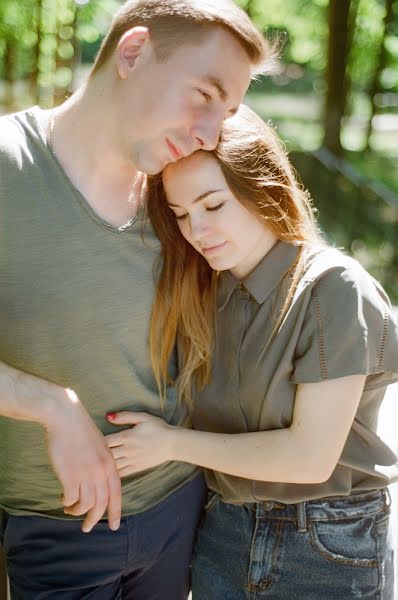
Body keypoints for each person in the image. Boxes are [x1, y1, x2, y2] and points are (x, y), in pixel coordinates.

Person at [0, 1, 274, 598]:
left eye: (225, 115)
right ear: (133, 52)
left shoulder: (186, 196)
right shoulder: (6, 166)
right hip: (53, 530)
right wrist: (50, 405)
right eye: (204, 94)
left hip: (182, 513)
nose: (210, 133)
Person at [105, 105, 398, 599]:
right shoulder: (205, 292)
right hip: (223, 531)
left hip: (325, 543)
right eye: (181, 215)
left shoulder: (333, 288)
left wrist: (170, 443)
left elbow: (309, 458)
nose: (197, 231)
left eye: (213, 205)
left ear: (261, 187)